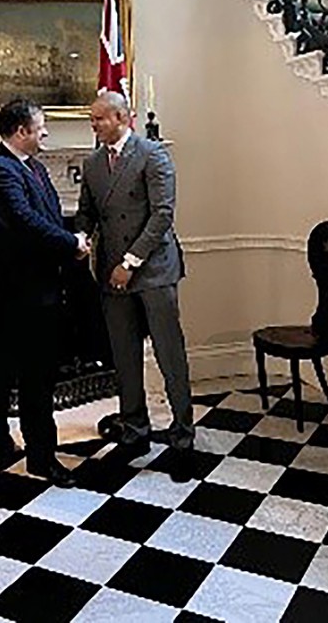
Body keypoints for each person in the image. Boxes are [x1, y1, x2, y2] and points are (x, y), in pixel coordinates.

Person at [0, 98, 90, 507]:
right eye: (40, 126)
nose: (46, 132)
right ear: (21, 131)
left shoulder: (34, 168)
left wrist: (75, 237)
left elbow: (48, 218)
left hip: (38, 298)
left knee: (39, 384)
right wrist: (71, 243)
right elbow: (23, 222)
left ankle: (42, 458)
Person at [77, 91, 194, 481]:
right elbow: (87, 212)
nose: (93, 125)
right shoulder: (93, 163)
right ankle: (134, 432)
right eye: (92, 119)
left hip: (153, 270)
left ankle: (183, 438)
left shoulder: (153, 154)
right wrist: (81, 238)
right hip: (112, 275)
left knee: (169, 356)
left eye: (99, 119)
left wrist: (130, 262)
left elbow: (162, 215)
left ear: (122, 118)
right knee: (124, 357)